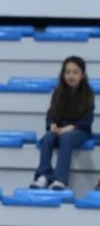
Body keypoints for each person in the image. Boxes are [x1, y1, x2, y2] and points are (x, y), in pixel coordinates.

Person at [31, 56, 95, 191]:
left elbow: (87, 121)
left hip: (79, 130)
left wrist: (70, 127)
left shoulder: (88, 94)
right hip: (60, 129)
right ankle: (43, 175)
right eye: (68, 72)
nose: (71, 76)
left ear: (82, 75)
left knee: (66, 137)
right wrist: (52, 125)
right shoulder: (58, 92)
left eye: (75, 72)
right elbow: (51, 114)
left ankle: (60, 179)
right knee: (48, 137)